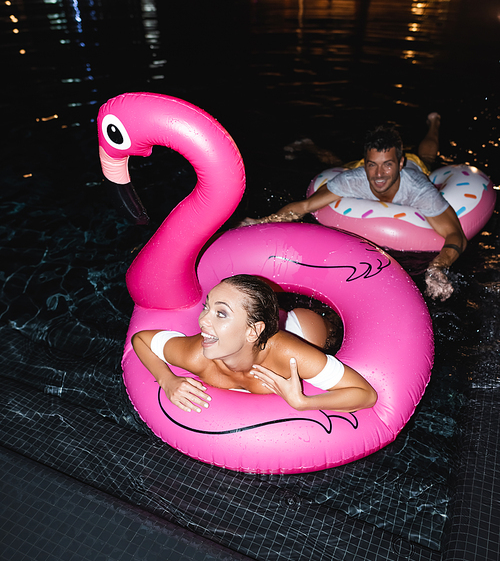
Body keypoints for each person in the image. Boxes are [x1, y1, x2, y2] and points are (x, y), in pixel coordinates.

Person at [241, 114, 467, 302]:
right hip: (355, 171)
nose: (379, 175)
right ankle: (310, 146)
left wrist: (437, 267)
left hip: (418, 168)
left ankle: (434, 123)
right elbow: (305, 205)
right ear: (366, 164)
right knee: (336, 165)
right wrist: (260, 222)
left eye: (387, 165)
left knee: (427, 157)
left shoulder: (419, 191)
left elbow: (456, 235)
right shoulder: (353, 180)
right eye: (372, 165)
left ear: (399, 164)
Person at [132, 274, 377, 414]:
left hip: (302, 328)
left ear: (253, 331)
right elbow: (140, 339)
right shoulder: (196, 355)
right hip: (258, 331)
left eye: (220, 313)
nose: (202, 319)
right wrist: (168, 380)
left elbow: (365, 395)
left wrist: (306, 402)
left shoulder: (291, 356)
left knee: (326, 327)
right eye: (207, 306)